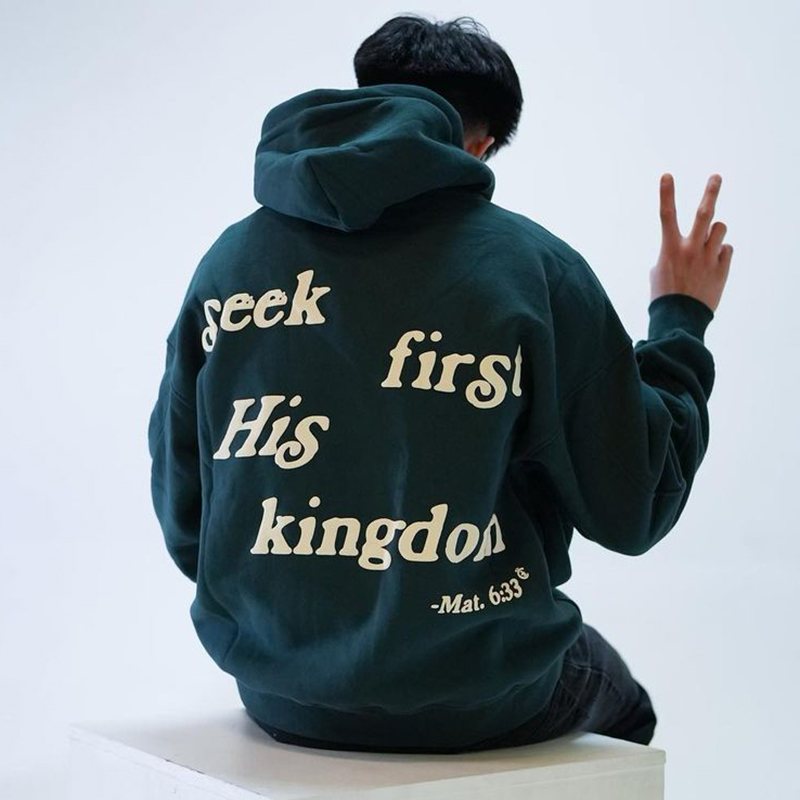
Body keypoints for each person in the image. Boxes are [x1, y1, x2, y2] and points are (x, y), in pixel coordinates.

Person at [147, 13, 733, 755]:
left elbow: (187, 518)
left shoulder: (228, 265)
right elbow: (635, 501)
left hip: (282, 696)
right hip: (482, 697)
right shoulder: (532, 270)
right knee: (625, 711)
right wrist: (680, 317)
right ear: (480, 146)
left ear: (363, 99)